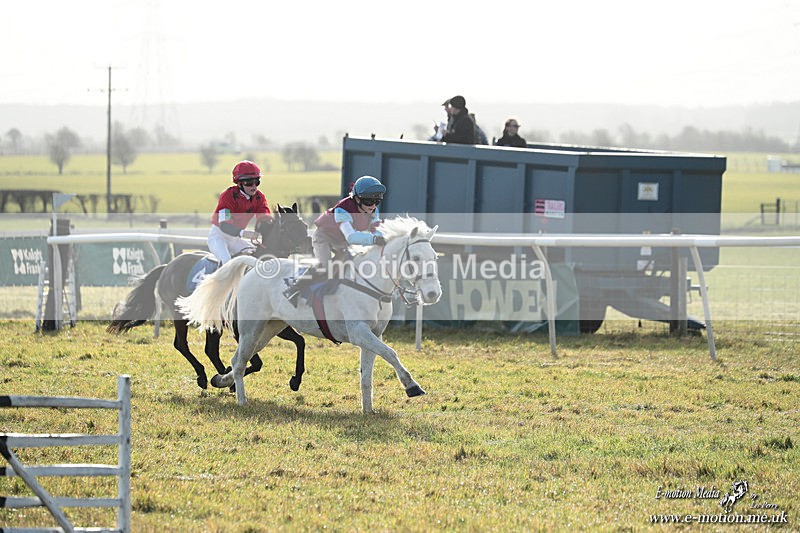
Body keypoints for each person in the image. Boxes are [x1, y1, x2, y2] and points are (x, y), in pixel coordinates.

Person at [283, 175, 386, 304]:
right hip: (323, 237)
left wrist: (384, 238)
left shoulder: (373, 211)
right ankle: (294, 288)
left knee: (349, 264)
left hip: (341, 241)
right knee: (325, 267)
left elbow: (377, 230)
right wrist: (375, 240)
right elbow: (352, 237)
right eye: (369, 201)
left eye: (377, 201)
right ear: (357, 198)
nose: (373, 206)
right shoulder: (342, 209)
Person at [207, 160, 272, 264]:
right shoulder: (227, 196)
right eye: (249, 183)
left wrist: (267, 226)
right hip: (219, 236)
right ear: (239, 183)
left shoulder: (259, 197)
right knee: (226, 261)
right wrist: (244, 233)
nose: (254, 186)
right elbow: (224, 225)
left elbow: (264, 217)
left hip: (235, 239)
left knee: (258, 256)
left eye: (257, 182)